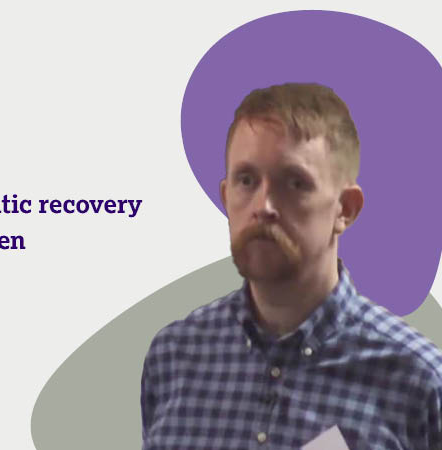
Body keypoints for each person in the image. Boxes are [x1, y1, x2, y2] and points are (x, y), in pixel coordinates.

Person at [141, 83, 442, 449]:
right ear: (225, 197)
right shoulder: (174, 356)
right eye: (246, 181)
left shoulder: (418, 381)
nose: (263, 206)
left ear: (345, 209)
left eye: (295, 183)